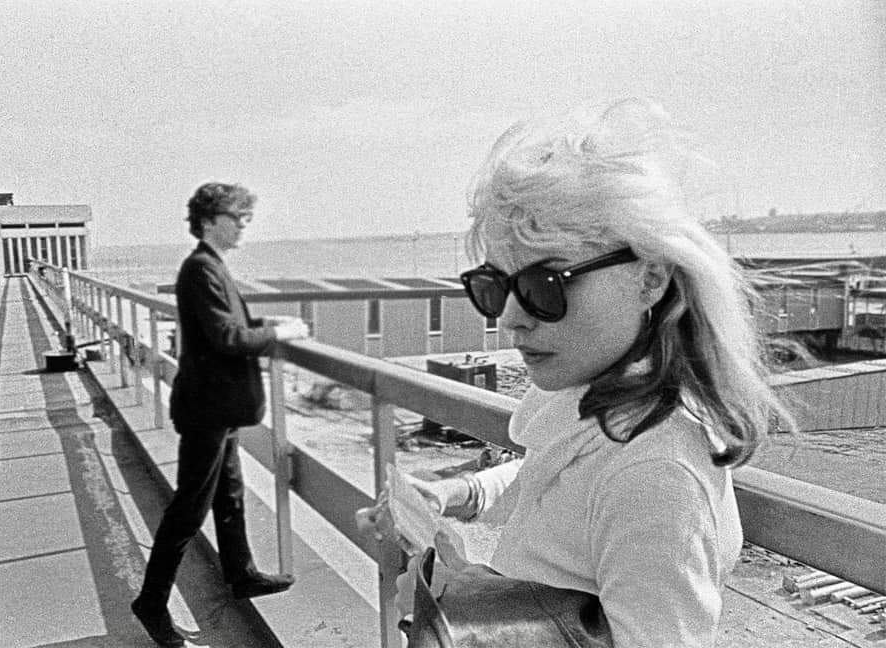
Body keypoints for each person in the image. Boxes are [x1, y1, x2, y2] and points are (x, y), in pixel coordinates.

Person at [359, 98, 795, 647]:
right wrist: (460, 493)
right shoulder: (600, 403)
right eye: (495, 286)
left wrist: (458, 608)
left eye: (547, 285)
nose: (510, 318)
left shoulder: (655, 473)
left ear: (650, 280)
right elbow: (551, 476)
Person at [131, 182, 309, 648]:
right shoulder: (200, 269)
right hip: (208, 409)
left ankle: (242, 572)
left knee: (228, 494)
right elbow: (228, 337)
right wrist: (280, 330)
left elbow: (229, 328)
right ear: (211, 221)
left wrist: (268, 327)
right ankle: (151, 603)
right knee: (188, 508)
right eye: (238, 217)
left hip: (217, 407)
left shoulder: (208, 266)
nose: (245, 225)